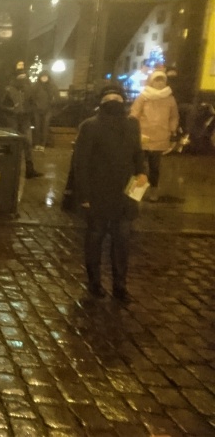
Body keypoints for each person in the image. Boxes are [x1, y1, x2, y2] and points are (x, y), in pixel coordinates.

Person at [74, 85, 147, 303]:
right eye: (109, 98)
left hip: (125, 193)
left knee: (122, 241)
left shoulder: (132, 125)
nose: (114, 101)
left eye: (118, 98)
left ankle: (120, 285)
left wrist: (142, 172)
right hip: (98, 192)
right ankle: (94, 282)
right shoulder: (90, 126)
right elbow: (81, 162)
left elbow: (137, 153)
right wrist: (84, 195)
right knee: (95, 237)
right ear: (102, 102)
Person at [130, 70, 179, 202]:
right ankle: (135, 192)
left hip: (160, 138)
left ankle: (153, 192)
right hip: (143, 136)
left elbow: (173, 116)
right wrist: (133, 130)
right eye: (156, 80)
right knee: (139, 166)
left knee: (155, 167)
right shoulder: (143, 96)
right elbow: (134, 114)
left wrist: (172, 130)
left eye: (161, 80)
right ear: (151, 81)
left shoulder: (170, 98)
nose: (159, 83)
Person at [0, 69, 43, 178]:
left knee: (27, 144)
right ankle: (10, 169)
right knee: (12, 145)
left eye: (24, 76)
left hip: (24, 119)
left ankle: (29, 170)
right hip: (12, 119)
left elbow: (33, 103)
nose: (23, 79)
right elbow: (0, 105)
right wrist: (11, 109)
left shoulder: (28, 89)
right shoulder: (8, 89)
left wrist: (30, 109)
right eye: (21, 77)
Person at [30, 71, 58, 151]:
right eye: (42, 76)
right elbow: (31, 97)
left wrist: (52, 103)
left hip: (48, 110)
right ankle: (37, 143)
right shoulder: (36, 86)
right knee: (37, 127)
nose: (44, 78)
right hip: (37, 109)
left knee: (45, 127)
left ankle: (43, 144)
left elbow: (57, 98)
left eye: (46, 76)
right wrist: (35, 105)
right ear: (40, 77)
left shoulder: (52, 86)